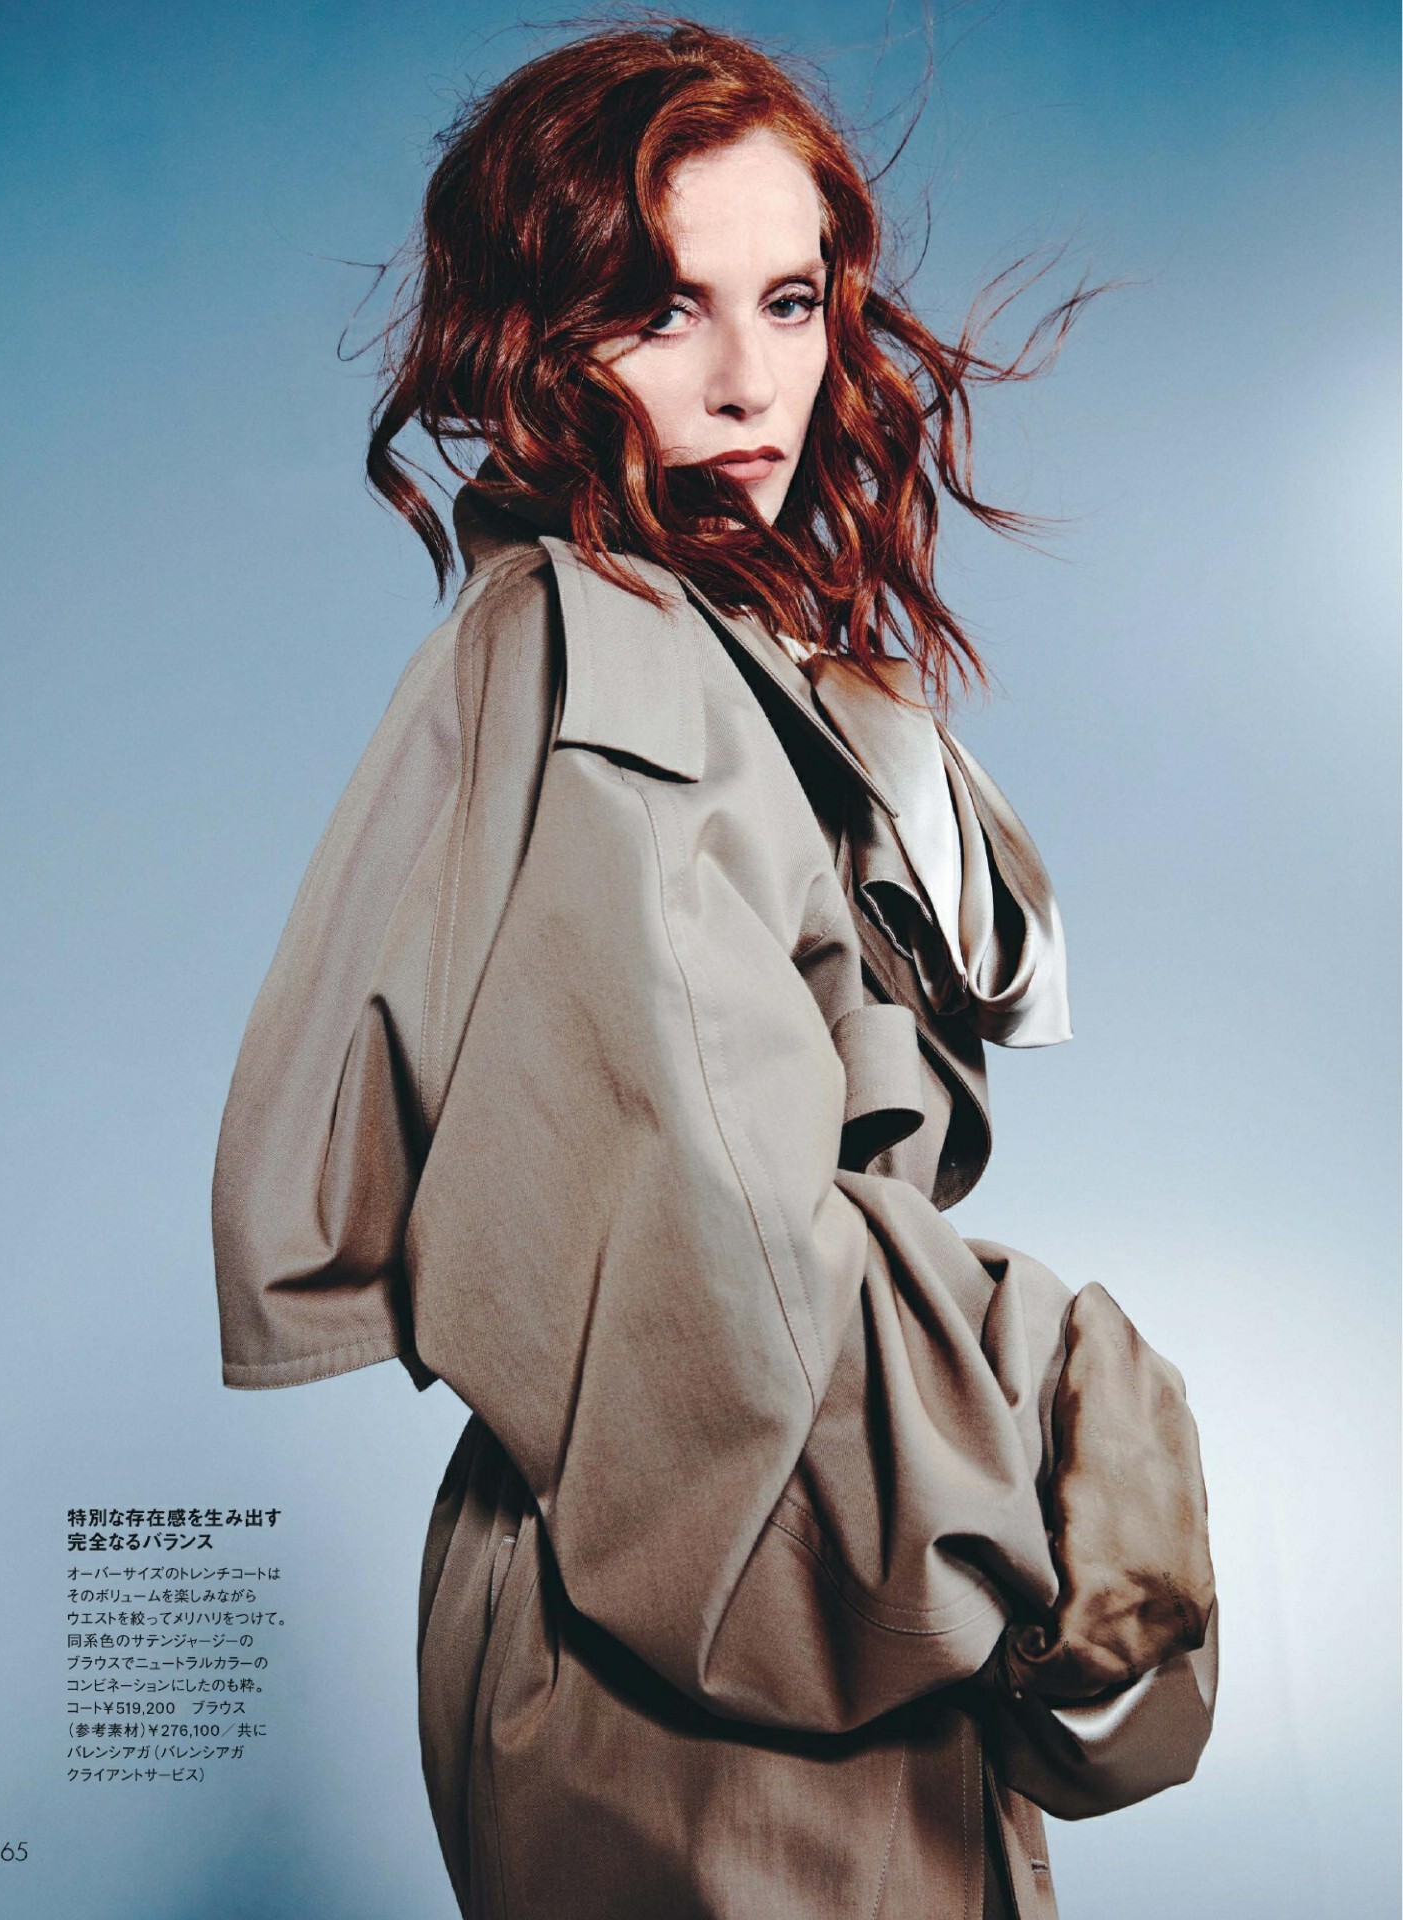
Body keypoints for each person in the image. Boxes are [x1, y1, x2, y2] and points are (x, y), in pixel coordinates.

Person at [211, 21, 1217, 1919]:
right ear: (536, 337)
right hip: (734, 1589)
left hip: (707, 1546)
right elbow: (728, 1276)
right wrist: (1055, 1388)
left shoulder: (665, 641)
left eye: (790, 298)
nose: (751, 382)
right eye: (660, 309)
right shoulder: (614, 656)